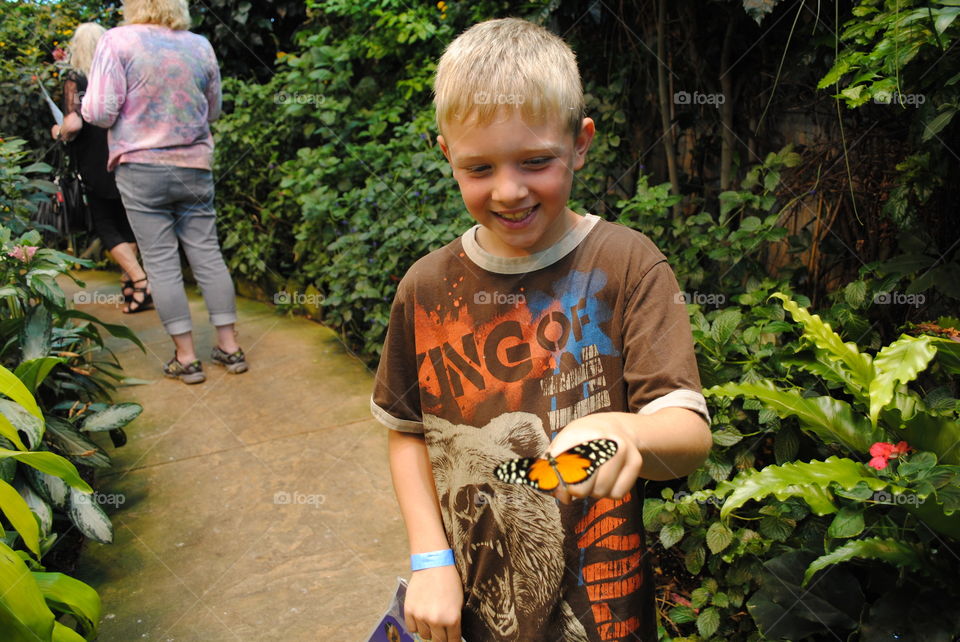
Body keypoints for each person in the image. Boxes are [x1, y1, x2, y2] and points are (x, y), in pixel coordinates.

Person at [371, 18, 713, 642]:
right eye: (479, 169)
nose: (508, 191)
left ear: (580, 143)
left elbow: (688, 431)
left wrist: (626, 428)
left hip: (603, 613)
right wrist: (429, 559)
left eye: (535, 162)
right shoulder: (424, 290)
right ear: (447, 155)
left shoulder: (627, 266)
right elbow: (407, 433)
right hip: (467, 609)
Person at [81, 0, 247, 384]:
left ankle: (187, 358)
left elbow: (102, 112)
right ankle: (230, 347)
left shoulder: (117, 41)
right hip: (194, 166)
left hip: (141, 167)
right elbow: (214, 110)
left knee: (160, 262)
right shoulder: (199, 45)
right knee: (207, 254)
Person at [51, 22, 152, 314]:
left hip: (94, 159)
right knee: (124, 219)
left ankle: (140, 281)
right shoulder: (119, 73)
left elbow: (74, 123)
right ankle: (130, 283)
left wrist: (56, 131)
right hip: (122, 151)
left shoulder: (76, 77)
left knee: (104, 223)